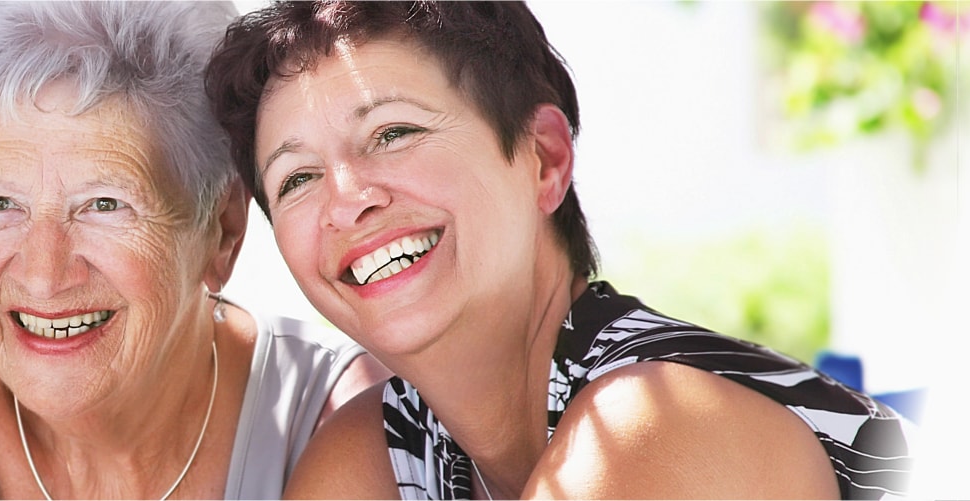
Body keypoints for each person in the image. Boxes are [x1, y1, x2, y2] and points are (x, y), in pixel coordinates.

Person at [205, 1, 914, 499]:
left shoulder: (650, 421)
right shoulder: (384, 446)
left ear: (544, 159)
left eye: (393, 133)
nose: (346, 199)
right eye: (297, 177)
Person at [0, 2, 389, 499]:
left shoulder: (342, 424)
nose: (44, 274)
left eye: (104, 205)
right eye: (0, 204)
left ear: (223, 230)